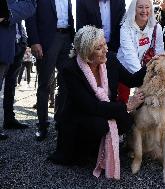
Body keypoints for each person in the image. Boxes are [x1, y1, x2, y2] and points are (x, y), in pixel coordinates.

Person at [48, 26, 145, 179]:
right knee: (100, 124)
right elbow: (90, 107)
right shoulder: (70, 69)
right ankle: (83, 151)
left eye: (104, 44)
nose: (105, 49)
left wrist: (150, 66)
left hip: (100, 111)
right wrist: (125, 106)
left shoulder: (110, 60)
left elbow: (132, 80)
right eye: (99, 48)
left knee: (126, 121)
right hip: (78, 117)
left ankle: (98, 147)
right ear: (86, 53)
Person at [25, 0, 75, 141]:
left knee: (66, 83)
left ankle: (60, 122)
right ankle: (42, 125)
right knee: (45, 84)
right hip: (47, 40)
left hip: (67, 38)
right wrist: (34, 41)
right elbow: (30, 15)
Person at [0, 0, 36, 140]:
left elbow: (29, 6)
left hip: (18, 42)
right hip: (4, 42)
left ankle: (9, 118)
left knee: (11, 83)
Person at [117, 0, 164, 103]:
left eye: (147, 7)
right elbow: (129, 55)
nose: (144, 11)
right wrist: (143, 79)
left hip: (144, 69)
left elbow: (160, 52)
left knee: (144, 103)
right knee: (125, 103)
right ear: (134, 9)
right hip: (125, 70)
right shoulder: (125, 28)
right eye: (140, 7)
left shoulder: (156, 27)